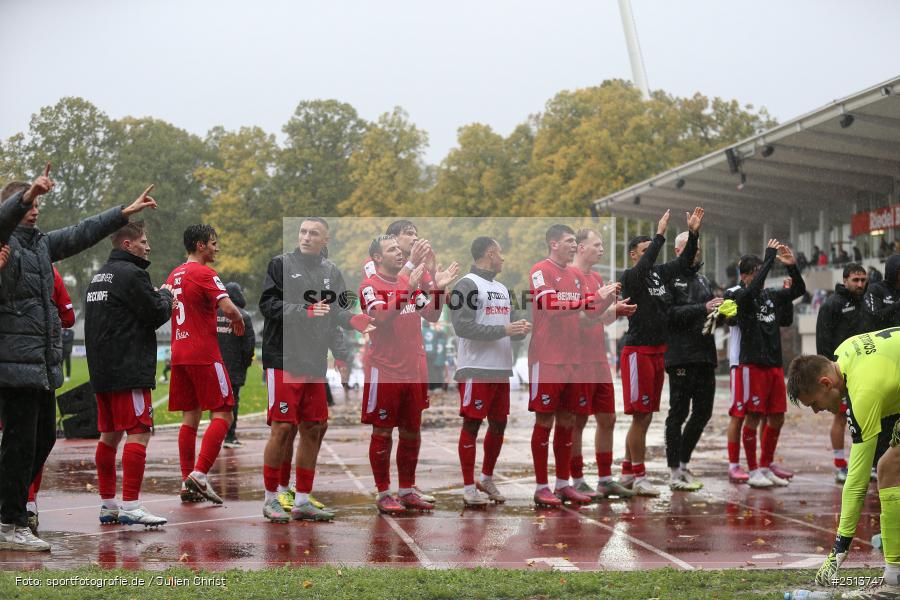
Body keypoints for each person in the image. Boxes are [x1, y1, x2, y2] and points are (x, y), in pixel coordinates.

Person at [0, 169, 155, 552]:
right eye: (28, 204)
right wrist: (25, 193)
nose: (35, 210)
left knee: (43, 438)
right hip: (13, 361)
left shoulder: (40, 245)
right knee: (19, 443)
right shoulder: (5, 243)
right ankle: (10, 521)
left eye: (37, 203)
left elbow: (81, 233)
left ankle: (11, 511)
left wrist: (122, 213)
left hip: (40, 363)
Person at [258, 218, 374, 522]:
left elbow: (335, 312)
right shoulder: (279, 264)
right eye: (303, 232)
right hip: (282, 358)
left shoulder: (331, 271)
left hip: (313, 362)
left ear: (326, 239)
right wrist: (303, 311)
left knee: (314, 428)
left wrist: (348, 340)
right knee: (282, 427)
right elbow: (267, 305)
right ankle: (271, 498)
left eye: (314, 233)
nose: (306, 237)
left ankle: (303, 500)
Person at [787, 331, 900, 596]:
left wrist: (839, 549)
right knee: (889, 468)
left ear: (826, 383)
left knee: (888, 468)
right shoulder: (846, 349)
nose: (817, 411)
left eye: (814, 403)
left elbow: (857, 481)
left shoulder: (863, 391)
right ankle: (895, 576)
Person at [359, 234, 458, 514]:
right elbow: (379, 318)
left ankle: (407, 489)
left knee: (412, 431)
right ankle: (383, 492)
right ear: (377, 258)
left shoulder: (411, 283)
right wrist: (407, 289)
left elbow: (432, 315)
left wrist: (438, 288)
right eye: (392, 250)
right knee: (383, 431)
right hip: (385, 370)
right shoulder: (370, 286)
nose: (399, 253)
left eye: (398, 249)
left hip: (413, 371)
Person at [84, 220, 173, 527]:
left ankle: (108, 504)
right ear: (127, 245)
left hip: (101, 370)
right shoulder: (132, 274)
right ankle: (132, 506)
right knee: (139, 430)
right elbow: (155, 314)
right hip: (128, 368)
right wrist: (166, 296)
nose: (148, 247)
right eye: (143, 242)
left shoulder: (99, 276)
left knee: (109, 435)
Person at [617, 208, 703, 496]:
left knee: (646, 416)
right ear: (633, 254)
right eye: (643, 250)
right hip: (637, 352)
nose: (650, 254)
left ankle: (628, 473)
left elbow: (681, 262)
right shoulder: (631, 275)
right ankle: (639, 476)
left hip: (657, 352)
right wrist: (660, 234)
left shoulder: (657, 276)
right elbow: (646, 264)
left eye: (649, 249)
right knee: (639, 416)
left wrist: (693, 233)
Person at [166, 225, 246, 505]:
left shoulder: (174, 274)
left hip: (179, 353)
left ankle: (187, 479)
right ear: (200, 245)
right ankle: (199, 475)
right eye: (213, 243)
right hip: (204, 353)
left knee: (190, 417)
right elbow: (228, 307)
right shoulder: (205, 273)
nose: (217, 248)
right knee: (224, 414)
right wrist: (238, 319)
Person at [449, 236, 530, 507]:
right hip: (475, 368)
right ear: (490, 252)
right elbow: (463, 327)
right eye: (501, 252)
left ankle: (486, 477)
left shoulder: (503, 288)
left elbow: (507, 326)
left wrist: (518, 329)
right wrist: (504, 330)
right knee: (472, 424)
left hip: (500, 369)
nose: (503, 258)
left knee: (499, 424)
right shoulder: (466, 285)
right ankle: (468, 486)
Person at [527, 224, 601, 507]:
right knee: (544, 420)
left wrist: (610, 303)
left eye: (575, 241)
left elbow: (588, 313)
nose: (574, 246)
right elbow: (547, 303)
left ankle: (562, 483)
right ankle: (540, 486)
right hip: (547, 358)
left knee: (568, 421)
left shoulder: (575, 275)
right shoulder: (540, 269)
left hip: (573, 359)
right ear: (553, 243)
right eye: (570, 241)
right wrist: (586, 301)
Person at [729, 240, 805, 489]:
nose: (760, 276)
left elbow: (798, 291)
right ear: (746, 276)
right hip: (753, 365)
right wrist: (770, 259)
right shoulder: (742, 295)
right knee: (753, 417)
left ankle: (764, 466)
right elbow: (750, 292)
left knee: (777, 417)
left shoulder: (769, 296)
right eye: (756, 272)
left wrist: (792, 267)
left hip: (774, 365)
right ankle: (752, 470)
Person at [569, 228, 635, 500]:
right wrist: (602, 305)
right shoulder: (568, 276)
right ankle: (576, 478)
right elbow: (579, 318)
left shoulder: (596, 278)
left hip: (598, 359)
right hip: (577, 359)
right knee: (578, 420)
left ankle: (605, 479)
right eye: (596, 245)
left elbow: (600, 318)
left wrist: (615, 310)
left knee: (608, 418)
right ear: (581, 247)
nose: (602, 250)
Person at [663, 231, 722, 492]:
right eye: (689, 246)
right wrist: (703, 308)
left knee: (703, 411)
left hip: (705, 355)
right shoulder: (669, 278)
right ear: (677, 250)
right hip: (680, 355)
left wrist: (721, 313)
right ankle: (674, 470)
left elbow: (709, 314)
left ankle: (684, 463)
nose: (694, 251)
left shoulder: (703, 280)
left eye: (697, 246)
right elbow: (669, 315)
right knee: (678, 412)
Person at [26, 266, 76, 534]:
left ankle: (21, 503)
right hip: (36, 366)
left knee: (24, 437)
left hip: (22, 366)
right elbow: (67, 317)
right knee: (36, 437)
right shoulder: (49, 269)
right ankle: (25, 502)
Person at [816, 263, 868, 483]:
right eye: (855, 280)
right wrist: (829, 369)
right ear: (845, 280)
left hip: (866, 369)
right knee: (841, 416)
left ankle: (869, 464)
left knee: (867, 417)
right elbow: (823, 338)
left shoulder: (868, 301)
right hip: (842, 371)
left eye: (863, 280)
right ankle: (840, 466)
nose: (859, 284)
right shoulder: (832, 304)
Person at [217, 282, 255, 449]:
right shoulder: (243, 315)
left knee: (216, 403)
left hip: (214, 366)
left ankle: (215, 436)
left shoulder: (212, 313)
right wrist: (245, 364)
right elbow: (249, 345)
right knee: (232, 402)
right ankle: (230, 436)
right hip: (234, 367)